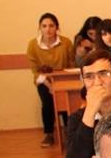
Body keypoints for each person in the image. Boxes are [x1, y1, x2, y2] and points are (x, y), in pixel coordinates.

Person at [65, 50, 111, 158]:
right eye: (89, 77)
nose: (97, 82)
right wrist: (90, 111)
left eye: (104, 74)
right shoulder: (78, 118)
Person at [26, 12, 75, 148]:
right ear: (40, 28)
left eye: (51, 26)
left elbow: (71, 64)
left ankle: (69, 132)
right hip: (43, 81)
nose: (48, 29)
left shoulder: (66, 43)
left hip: (63, 80)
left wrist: (62, 83)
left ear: (57, 27)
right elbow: (35, 71)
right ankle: (49, 133)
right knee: (47, 105)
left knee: (66, 104)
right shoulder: (33, 45)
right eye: (44, 26)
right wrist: (50, 86)